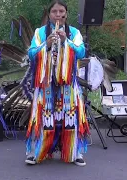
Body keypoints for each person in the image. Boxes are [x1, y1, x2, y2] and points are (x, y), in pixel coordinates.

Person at [25, 0, 89, 167]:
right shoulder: (40, 32)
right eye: (55, 11)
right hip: (46, 82)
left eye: (61, 11)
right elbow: (31, 54)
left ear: (66, 14)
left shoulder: (74, 32)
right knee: (44, 116)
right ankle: (38, 151)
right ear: (49, 14)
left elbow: (81, 52)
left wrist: (66, 41)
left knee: (71, 116)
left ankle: (74, 151)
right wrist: (45, 45)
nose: (58, 15)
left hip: (67, 83)